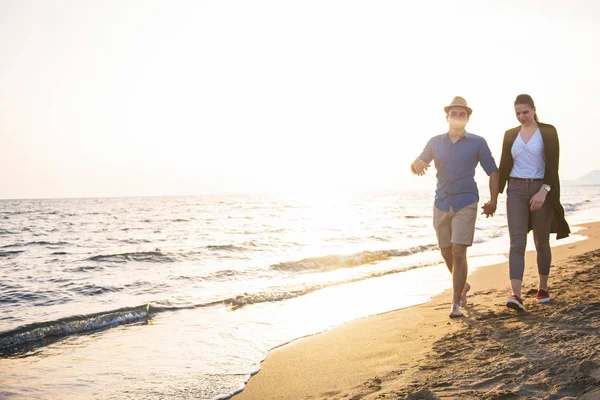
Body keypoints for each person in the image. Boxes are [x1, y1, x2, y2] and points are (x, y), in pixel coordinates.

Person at [412, 96, 499, 318]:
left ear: (467, 118)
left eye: (462, 114)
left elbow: (493, 171)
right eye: (454, 114)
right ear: (447, 117)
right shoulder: (434, 142)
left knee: (459, 252)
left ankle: (456, 302)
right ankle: (463, 284)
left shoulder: (478, 142)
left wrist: (493, 201)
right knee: (446, 252)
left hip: (466, 201)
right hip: (441, 202)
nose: (458, 117)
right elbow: (418, 163)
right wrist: (416, 165)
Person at [498, 94, 570, 311]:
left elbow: (553, 165)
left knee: (541, 243)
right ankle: (516, 295)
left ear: (534, 110)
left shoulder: (548, 131)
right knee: (517, 243)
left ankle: (543, 288)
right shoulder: (510, 135)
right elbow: (503, 167)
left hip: (541, 189)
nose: (522, 117)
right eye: (518, 113)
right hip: (517, 190)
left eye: (525, 112)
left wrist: (544, 191)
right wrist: (494, 198)